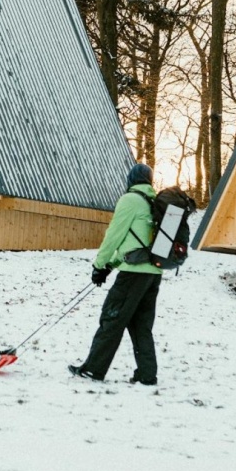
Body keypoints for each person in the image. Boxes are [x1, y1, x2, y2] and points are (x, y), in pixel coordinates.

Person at [68, 163, 162, 385]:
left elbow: (114, 236)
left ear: (131, 179)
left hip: (132, 274)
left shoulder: (130, 200)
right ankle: (147, 374)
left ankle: (93, 370)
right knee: (141, 325)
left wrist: (99, 265)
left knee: (111, 318)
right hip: (153, 273)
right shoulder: (154, 203)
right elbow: (136, 243)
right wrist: (111, 265)